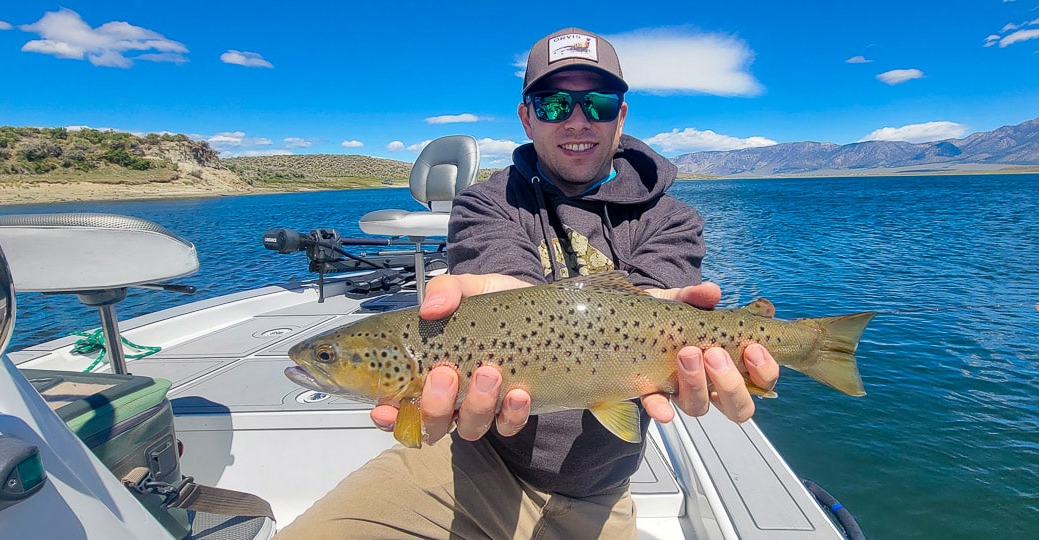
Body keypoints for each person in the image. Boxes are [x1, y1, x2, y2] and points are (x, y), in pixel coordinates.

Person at [276, 27, 780, 539]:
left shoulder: (673, 218)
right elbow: (512, 287)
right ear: (527, 117)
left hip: (600, 494)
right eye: (554, 104)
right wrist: (505, 300)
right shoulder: (484, 203)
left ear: (621, 115)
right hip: (473, 467)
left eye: (599, 103)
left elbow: (655, 312)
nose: (578, 119)